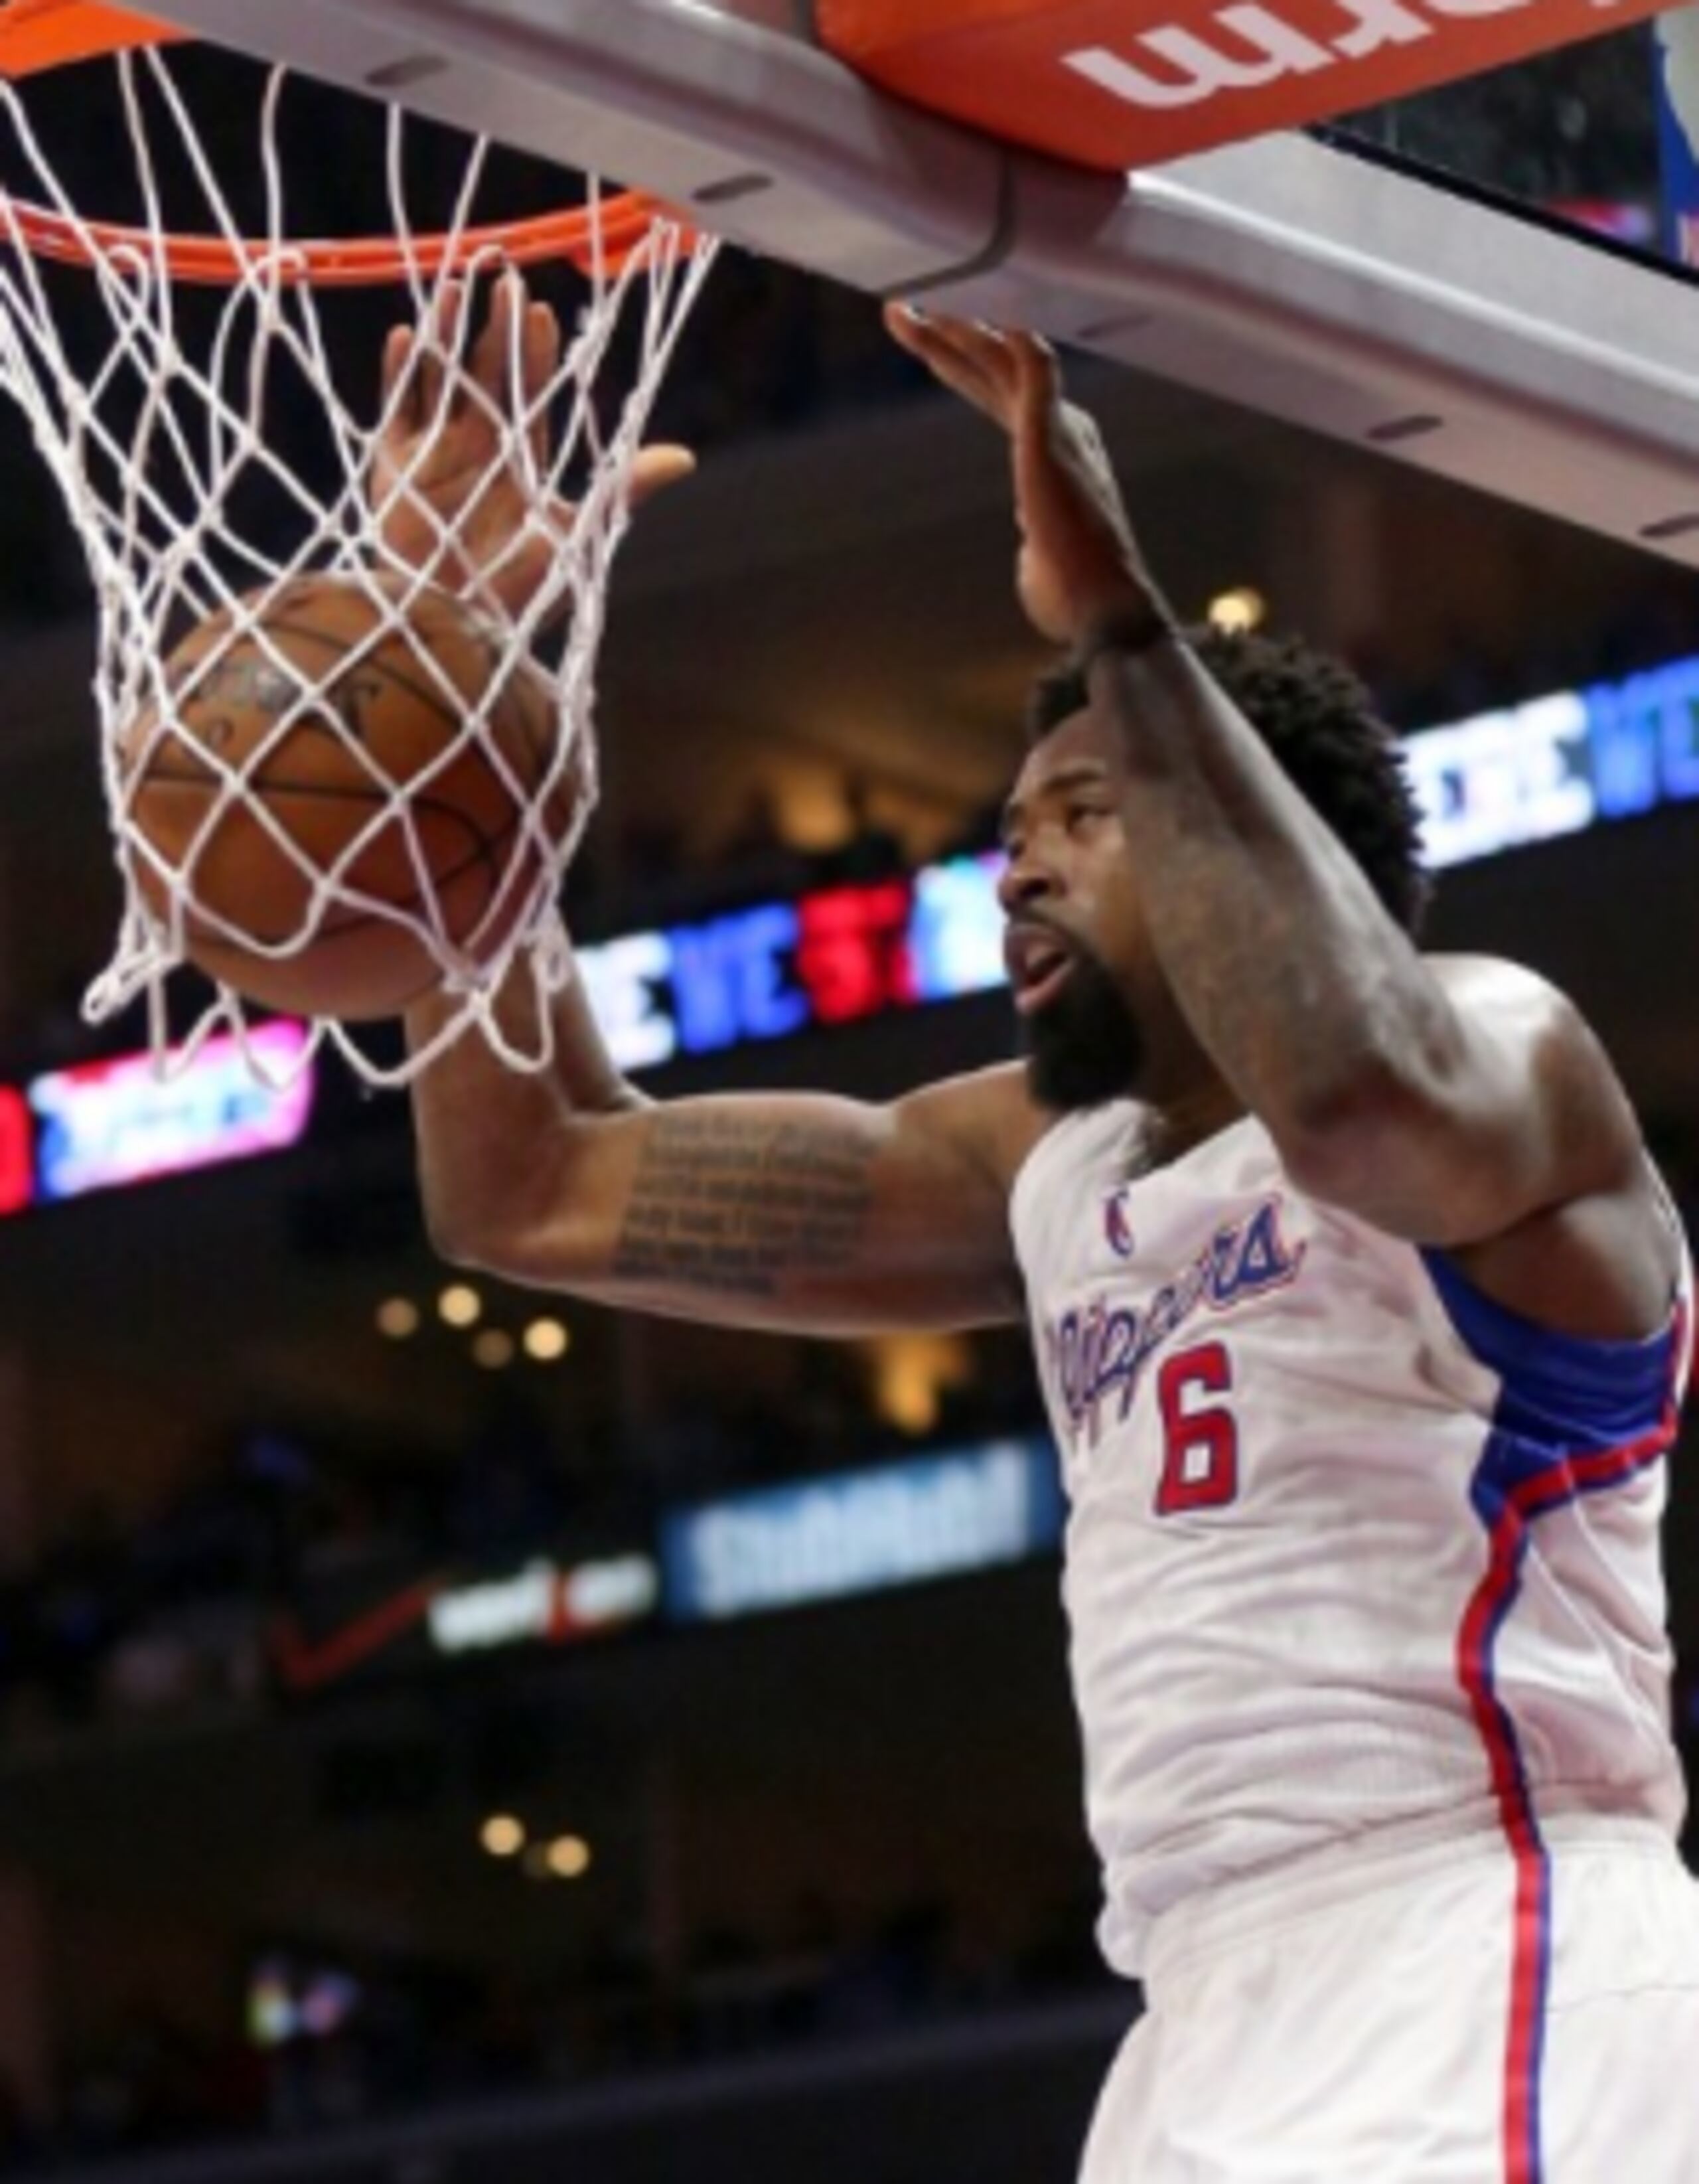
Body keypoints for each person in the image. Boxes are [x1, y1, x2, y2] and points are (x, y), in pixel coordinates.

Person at [387, 277, 1697, 2181]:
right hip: (1192, 2016)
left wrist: (1115, 618)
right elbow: (531, 1177)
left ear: (1252, 828)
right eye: (1015, 820)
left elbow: (1343, 1087)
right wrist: (460, 694)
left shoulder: (1508, 1056)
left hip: (1482, 1938)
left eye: (1083, 806)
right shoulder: (1055, 1169)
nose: (1017, 854)